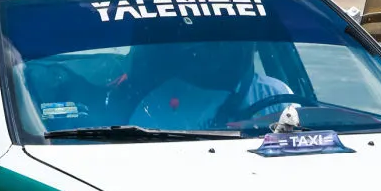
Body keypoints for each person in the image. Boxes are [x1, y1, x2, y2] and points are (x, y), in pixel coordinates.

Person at [126, 41, 294, 131]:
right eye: (217, 44)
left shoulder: (275, 93)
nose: (226, 50)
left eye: (240, 41)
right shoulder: (159, 102)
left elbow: (301, 138)